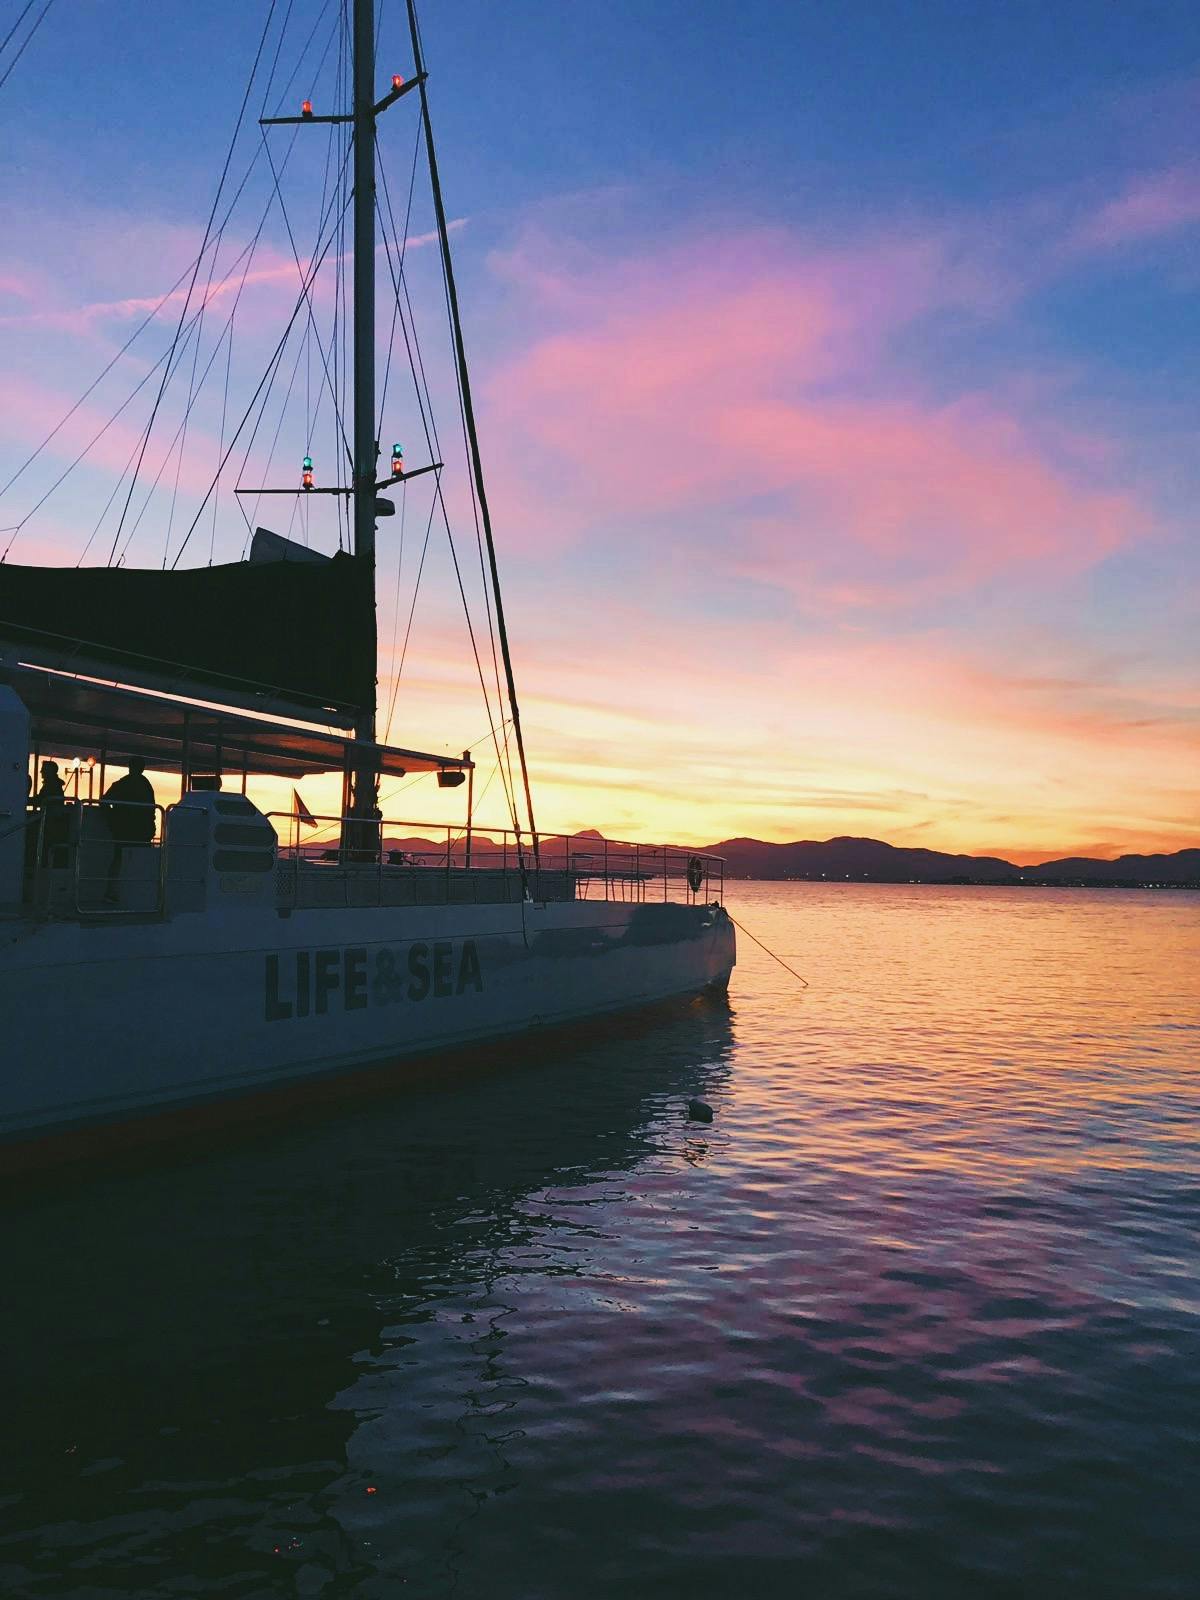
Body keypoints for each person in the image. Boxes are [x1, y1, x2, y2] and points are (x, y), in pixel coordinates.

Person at [103, 760, 156, 902]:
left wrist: (112, 819)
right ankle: (132, 892)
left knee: (120, 859)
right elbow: (151, 809)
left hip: (126, 828)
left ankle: (114, 891)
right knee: (133, 860)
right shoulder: (145, 786)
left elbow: (105, 801)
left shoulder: (123, 784)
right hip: (138, 829)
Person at [33, 759, 68, 866]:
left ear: (49, 771)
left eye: (43, 770)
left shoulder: (51, 786)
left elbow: (41, 800)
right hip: (52, 821)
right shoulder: (54, 785)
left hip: (50, 822)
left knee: (46, 846)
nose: (41, 772)